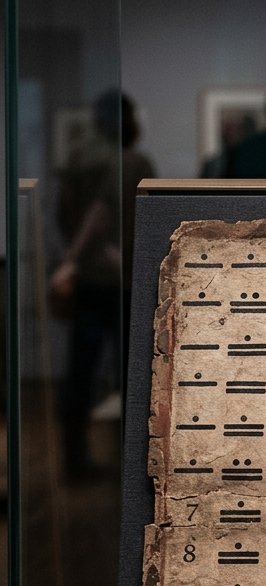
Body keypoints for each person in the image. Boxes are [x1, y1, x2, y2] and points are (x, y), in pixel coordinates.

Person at [53, 90, 155, 479]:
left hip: (91, 279)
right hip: (121, 279)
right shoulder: (131, 160)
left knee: (81, 370)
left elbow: (64, 212)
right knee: (132, 374)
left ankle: (75, 461)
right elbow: (103, 214)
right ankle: (132, 466)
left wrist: (72, 261)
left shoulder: (78, 157)